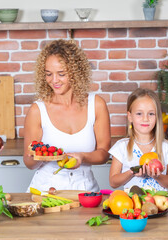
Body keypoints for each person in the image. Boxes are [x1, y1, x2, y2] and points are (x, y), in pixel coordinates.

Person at [23, 39, 111, 192]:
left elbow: (103, 154)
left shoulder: (96, 105)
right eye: (48, 74)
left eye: (61, 74)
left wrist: (83, 157)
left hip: (85, 188)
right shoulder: (38, 110)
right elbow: (28, 162)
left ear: (76, 72)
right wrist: (39, 157)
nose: (54, 80)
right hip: (45, 189)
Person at [109, 88, 168, 191]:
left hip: (158, 204)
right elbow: (113, 182)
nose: (145, 119)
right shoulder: (121, 147)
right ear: (130, 116)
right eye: (139, 114)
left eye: (151, 114)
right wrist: (132, 172)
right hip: (132, 205)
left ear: (157, 117)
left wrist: (157, 176)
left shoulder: (165, 147)